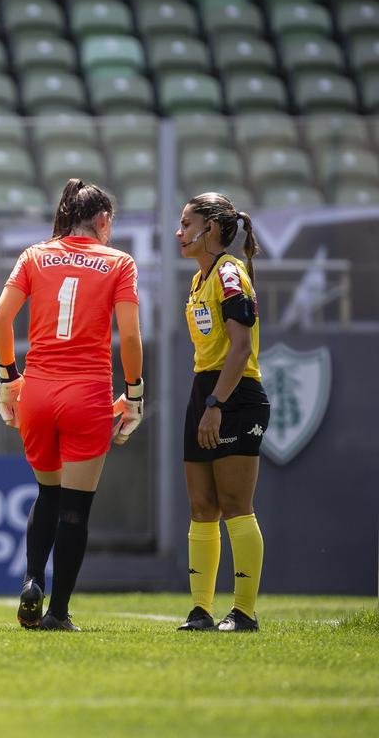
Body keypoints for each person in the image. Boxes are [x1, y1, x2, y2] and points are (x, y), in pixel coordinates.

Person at [0, 179, 144, 631]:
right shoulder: (119, 262)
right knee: (76, 507)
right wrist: (134, 393)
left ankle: (32, 579)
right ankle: (57, 612)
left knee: (46, 493)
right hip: (88, 393)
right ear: (102, 220)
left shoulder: (35, 255)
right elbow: (130, 336)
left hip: (36, 391)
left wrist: (7, 379)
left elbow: (0, 319)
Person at [174, 192, 269, 632]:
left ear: (211, 229)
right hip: (204, 389)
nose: (180, 233)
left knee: (235, 504)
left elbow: (241, 348)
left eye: (187, 224)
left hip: (235, 393)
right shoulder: (198, 280)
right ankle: (200, 610)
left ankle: (245, 612)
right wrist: (205, 400)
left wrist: (217, 405)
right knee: (201, 505)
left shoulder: (230, 275)